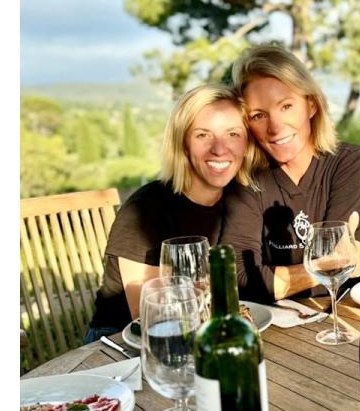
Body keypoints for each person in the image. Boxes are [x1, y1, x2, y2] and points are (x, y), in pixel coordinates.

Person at [85, 84, 261, 343]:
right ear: (183, 143)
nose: (220, 149)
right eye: (203, 135)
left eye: (233, 134)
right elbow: (148, 315)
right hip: (122, 345)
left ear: (247, 143)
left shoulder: (243, 201)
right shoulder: (145, 209)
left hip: (208, 335)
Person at [220, 44, 360, 303]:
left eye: (286, 106)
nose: (276, 127)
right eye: (258, 115)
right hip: (277, 328)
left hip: (344, 316)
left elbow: (342, 274)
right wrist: (325, 267)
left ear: (311, 106)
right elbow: (239, 279)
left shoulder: (351, 165)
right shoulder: (246, 180)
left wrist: (279, 278)